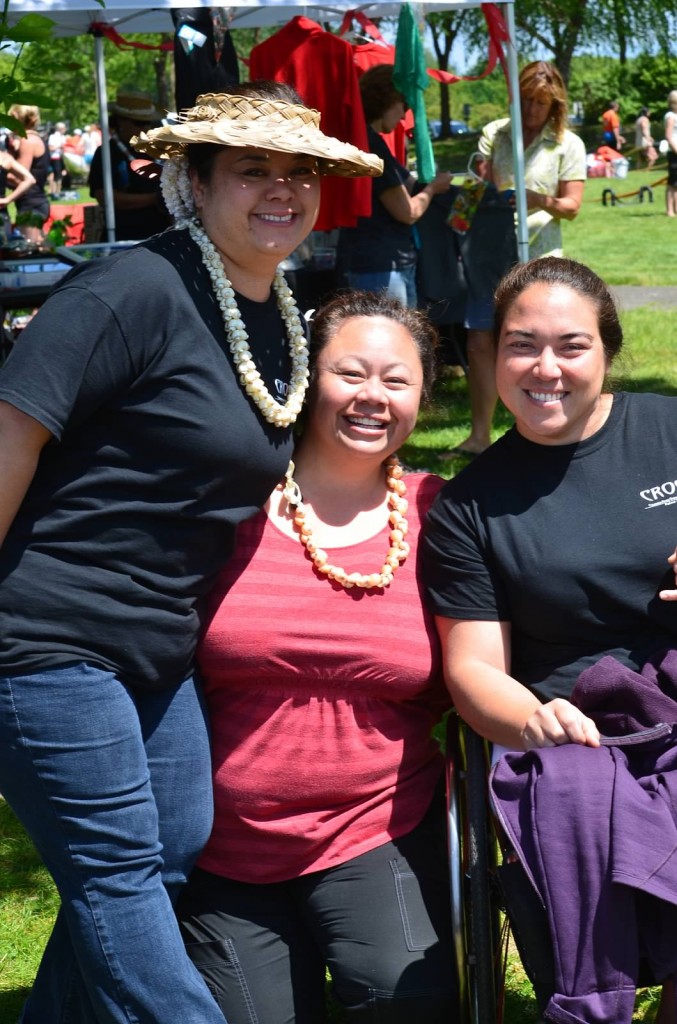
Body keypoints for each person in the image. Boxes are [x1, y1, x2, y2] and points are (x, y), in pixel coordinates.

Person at [0, 81, 380, 1024]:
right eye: (252, 170)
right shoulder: (128, 292)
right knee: (118, 873)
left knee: (168, 851)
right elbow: (11, 435)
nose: (281, 190)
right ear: (194, 183)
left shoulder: (277, 310)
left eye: (301, 173)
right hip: (48, 633)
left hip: (159, 645)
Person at [177, 290, 456, 1024]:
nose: (373, 396)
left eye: (396, 380)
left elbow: (562, 579)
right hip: (224, 843)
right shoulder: (226, 505)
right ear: (305, 382)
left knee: (406, 1005)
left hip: (377, 825)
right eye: (350, 373)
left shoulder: (444, 516)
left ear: (422, 397)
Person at [424, 256, 677, 1024]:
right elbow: (473, 669)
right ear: (492, 354)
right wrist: (533, 720)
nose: (545, 368)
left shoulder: (667, 431)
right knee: (570, 785)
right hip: (574, 721)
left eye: (570, 345)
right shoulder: (468, 508)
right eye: (521, 345)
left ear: (606, 350)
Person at [446, 60, 586, 460]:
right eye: (525, 101)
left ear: (555, 104)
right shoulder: (496, 133)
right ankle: (479, 435)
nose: (532, 110)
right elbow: (476, 188)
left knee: (536, 346)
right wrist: (464, 210)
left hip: (539, 258)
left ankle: (540, 433)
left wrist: (535, 199)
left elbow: (572, 207)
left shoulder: (568, 144)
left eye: (541, 103)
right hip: (489, 253)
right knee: (480, 340)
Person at [337, 64, 452, 308]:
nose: (403, 116)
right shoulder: (371, 147)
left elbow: (402, 185)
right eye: (403, 106)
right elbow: (407, 212)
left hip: (386, 263)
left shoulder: (369, 141)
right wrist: (433, 189)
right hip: (381, 266)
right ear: (387, 100)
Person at [88, 90, 172, 241]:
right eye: (139, 123)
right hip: (123, 236)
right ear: (121, 121)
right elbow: (106, 198)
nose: (145, 128)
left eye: (148, 123)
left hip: (162, 234)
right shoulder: (106, 154)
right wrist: (154, 199)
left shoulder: (160, 151)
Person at [6, 104, 50, 243]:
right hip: (33, 202)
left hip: (31, 204)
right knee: (37, 246)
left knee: (30, 249)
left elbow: (18, 178)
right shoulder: (33, 138)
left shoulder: (28, 141)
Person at [0, 148, 37, 244]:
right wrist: (8, 200)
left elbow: (30, 180)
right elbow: (30, 179)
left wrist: (8, 199)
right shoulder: (4, 158)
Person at [664, 90, 677, 217]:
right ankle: (669, 210)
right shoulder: (671, 117)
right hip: (674, 153)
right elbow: (668, 136)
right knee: (672, 182)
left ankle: (676, 208)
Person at [47, 120, 67, 198]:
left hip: (60, 157)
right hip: (54, 158)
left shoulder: (63, 137)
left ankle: (58, 191)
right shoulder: (53, 137)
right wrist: (59, 146)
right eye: (64, 128)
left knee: (60, 175)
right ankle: (54, 192)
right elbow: (50, 148)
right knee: (55, 175)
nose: (65, 130)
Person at [635, 106, 657, 170]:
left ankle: (637, 171)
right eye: (649, 111)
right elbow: (644, 129)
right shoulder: (644, 119)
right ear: (646, 112)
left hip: (638, 142)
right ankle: (647, 171)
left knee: (640, 158)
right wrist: (649, 138)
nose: (650, 113)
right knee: (653, 157)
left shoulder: (638, 120)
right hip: (645, 142)